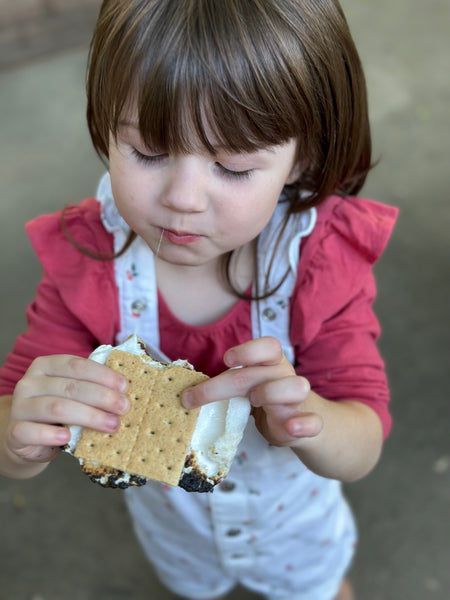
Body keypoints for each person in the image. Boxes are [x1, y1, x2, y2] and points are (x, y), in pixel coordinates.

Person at [0, 1, 398, 599]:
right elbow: (14, 421)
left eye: (233, 167)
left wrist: (307, 419)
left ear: (303, 158)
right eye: (149, 152)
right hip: (176, 538)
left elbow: (362, 442)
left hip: (297, 535)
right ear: (106, 123)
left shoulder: (318, 267)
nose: (183, 198)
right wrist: (18, 435)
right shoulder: (86, 264)